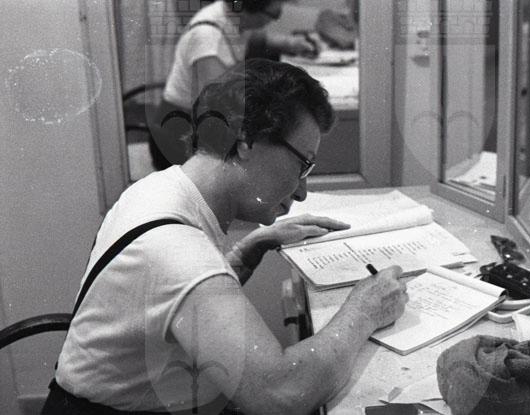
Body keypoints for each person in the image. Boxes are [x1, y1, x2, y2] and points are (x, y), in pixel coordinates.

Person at [42, 59, 409, 415]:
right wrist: (365, 311)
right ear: (246, 141)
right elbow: (280, 394)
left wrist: (243, 254)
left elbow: (173, 306)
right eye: (302, 164)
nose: (302, 192)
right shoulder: (177, 251)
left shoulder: (158, 190)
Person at [151, 0, 320, 170]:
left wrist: (290, 43)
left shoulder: (232, 16)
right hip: (178, 133)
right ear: (250, 10)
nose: (274, 20)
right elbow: (217, 105)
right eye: (274, 14)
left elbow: (256, 37)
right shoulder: (208, 37)